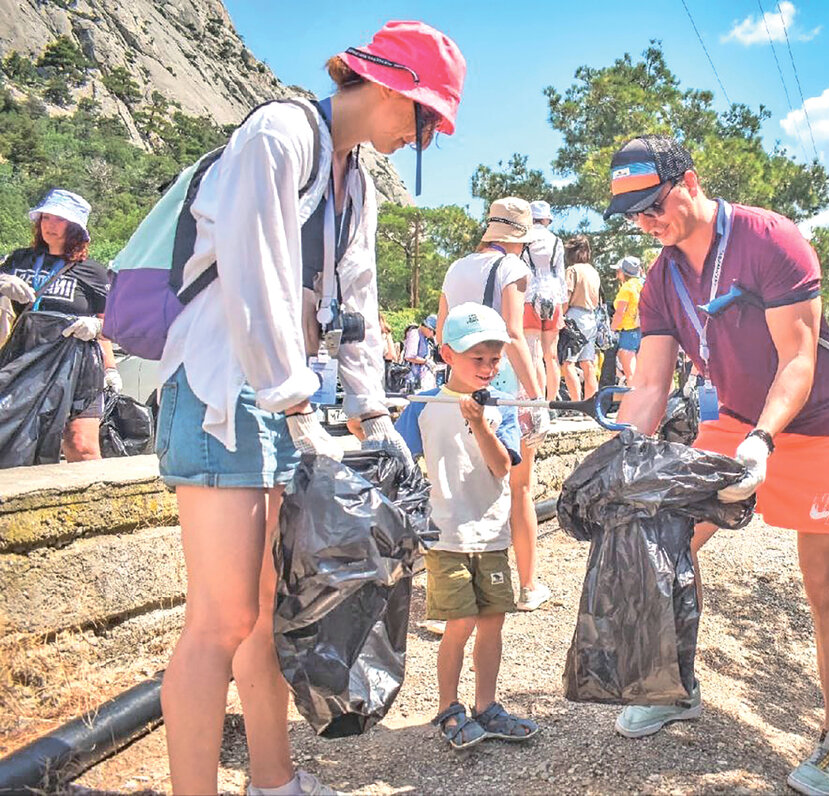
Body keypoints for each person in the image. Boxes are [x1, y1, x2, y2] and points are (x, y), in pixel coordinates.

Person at [152, 21, 465, 796]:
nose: (418, 137)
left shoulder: (354, 181)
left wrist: (374, 416)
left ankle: (274, 779)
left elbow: (355, 302)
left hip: (283, 400)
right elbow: (253, 277)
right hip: (225, 390)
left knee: (266, 613)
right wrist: (301, 412)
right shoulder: (279, 134)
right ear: (392, 88)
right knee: (218, 622)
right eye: (425, 120)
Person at [603, 135, 829, 796]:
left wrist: (764, 440)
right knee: (665, 544)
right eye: (633, 216)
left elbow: (799, 360)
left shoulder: (770, 240)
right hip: (735, 420)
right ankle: (673, 689)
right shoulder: (662, 277)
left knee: (824, 583)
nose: (647, 223)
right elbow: (651, 388)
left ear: (688, 181)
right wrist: (616, 455)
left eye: (653, 205)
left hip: (817, 421)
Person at [396, 302, 540, 749]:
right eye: (477, 358)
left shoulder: (501, 409)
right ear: (447, 354)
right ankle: (447, 708)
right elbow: (396, 456)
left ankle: (486, 705)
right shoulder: (422, 406)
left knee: (493, 621)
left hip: (492, 534)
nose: (488, 367)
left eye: (494, 359)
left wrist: (480, 423)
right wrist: (364, 430)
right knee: (459, 624)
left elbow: (502, 468)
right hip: (446, 537)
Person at [439, 196, 552, 612]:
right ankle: (527, 585)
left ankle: (455, 588)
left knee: (462, 480)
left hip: (461, 380)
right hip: (502, 381)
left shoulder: (455, 268)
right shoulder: (514, 268)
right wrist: (536, 397)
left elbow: (442, 337)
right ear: (520, 239)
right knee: (519, 487)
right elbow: (514, 333)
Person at [0, 189, 118, 462]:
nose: (49, 225)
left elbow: (113, 322)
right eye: (45, 218)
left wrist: (108, 365)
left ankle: (94, 503)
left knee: (80, 444)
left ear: (75, 228)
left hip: (78, 366)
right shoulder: (19, 261)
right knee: (19, 441)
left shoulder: (93, 272)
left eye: (59, 220)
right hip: (24, 363)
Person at [521, 199, 567, 405]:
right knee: (552, 355)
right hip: (554, 296)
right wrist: (563, 304)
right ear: (547, 219)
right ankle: (552, 402)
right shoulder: (556, 241)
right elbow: (561, 274)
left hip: (530, 296)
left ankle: (537, 402)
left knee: (534, 353)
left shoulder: (525, 240)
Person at [559, 235, 602, 401]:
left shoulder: (572, 270)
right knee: (588, 363)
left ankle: (576, 402)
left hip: (574, 317)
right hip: (591, 317)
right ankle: (591, 404)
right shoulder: (593, 271)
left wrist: (560, 318)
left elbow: (566, 296)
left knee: (568, 363)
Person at [610, 254, 644, 384]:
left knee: (631, 374)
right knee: (640, 372)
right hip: (641, 331)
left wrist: (612, 329)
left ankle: (636, 402)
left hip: (628, 332)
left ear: (624, 272)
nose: (617, 275)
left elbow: (620, 312)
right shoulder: (642, 284)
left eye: (618, 271)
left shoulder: (626, 288)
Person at [402, 313, 438, 391]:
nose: (433, 336)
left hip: (423, 377)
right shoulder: (415, 334)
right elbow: (409, 356)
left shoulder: (424, 338)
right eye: (434, 333)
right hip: (415, 378)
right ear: (428, 328)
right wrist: (426, 361)